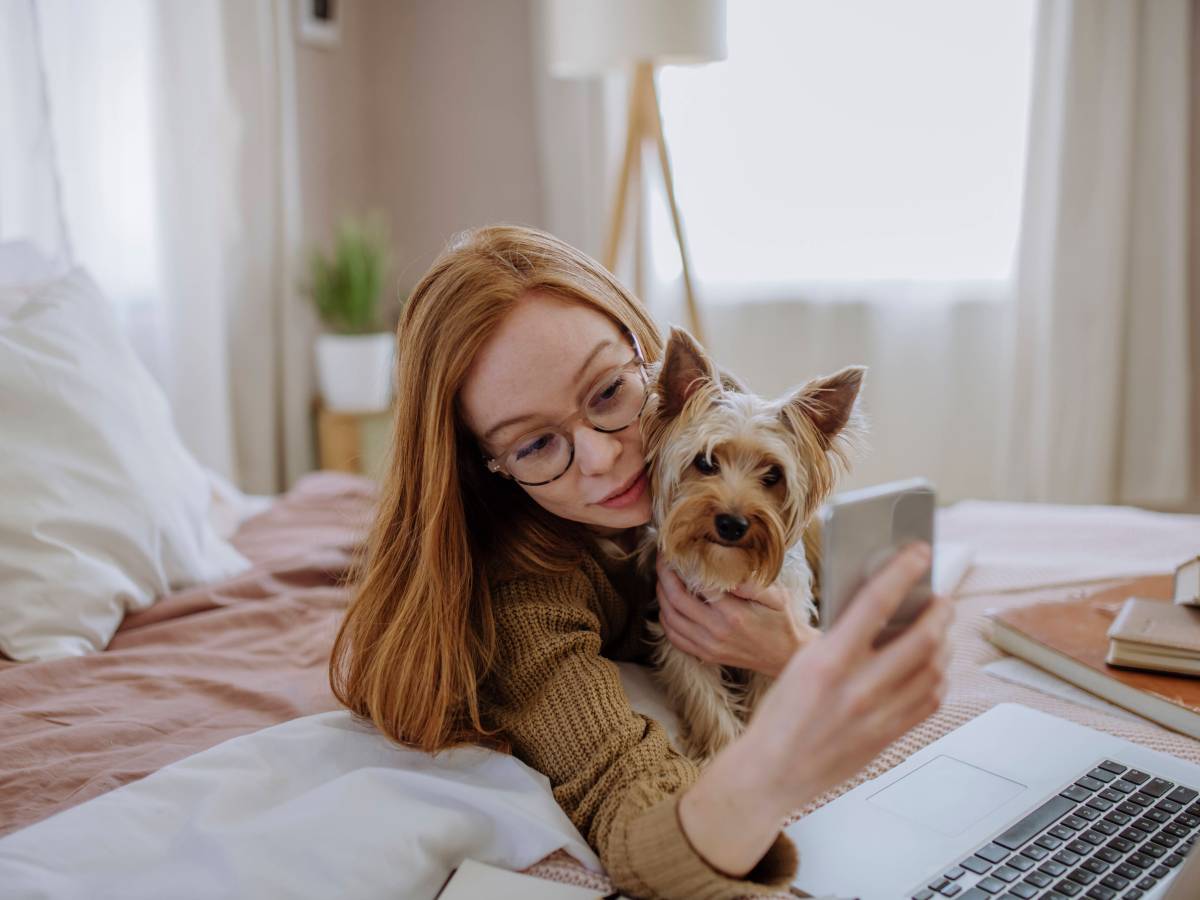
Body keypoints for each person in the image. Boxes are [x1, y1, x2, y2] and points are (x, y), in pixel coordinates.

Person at [329, 225, 954, 900]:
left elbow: (805, 544)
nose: (603, 458)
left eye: (606, 394)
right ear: (487, 468)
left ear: (647, 361)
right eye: (536, 443)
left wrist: (795, 646)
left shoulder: (698, 425)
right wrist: (772, 759)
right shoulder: (526, 598)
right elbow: (632, 815)